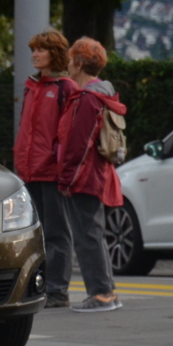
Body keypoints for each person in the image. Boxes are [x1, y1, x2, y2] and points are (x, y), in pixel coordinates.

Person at [57, 37, 127, 312]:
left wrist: (66, 180)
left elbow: (79, 145)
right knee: (93, 233)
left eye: (71, 58)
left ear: (79, 62)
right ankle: (106, 290)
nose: (68, 64)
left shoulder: (88, 99)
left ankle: (100, 294)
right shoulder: (104, 94)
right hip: (98, 174)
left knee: (87, 235)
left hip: (84, 177)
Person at [12, 28, 76, 308]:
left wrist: (62, 168)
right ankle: (42, 285)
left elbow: (68, 134)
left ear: (55, 54)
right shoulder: (33, 86)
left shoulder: (65, 88)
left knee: (56, 231)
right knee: (36, 232)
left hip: (51, 171)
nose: (35, 55)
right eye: (33, 50)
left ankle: (58, 289)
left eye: (41, 50)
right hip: (29, 169)